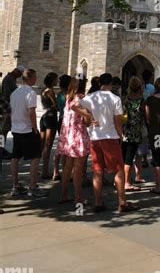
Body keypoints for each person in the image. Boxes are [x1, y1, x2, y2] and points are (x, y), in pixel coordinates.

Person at [76, 72, 138, 214]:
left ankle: (98, 202)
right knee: (119, 169)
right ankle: (122, 202)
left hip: (95, 137)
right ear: (110, 84)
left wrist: (87, 116)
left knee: (97, 170)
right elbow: (117, 120)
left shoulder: (90, 97)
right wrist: (121, 135)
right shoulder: (114, 98)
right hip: (110, 137)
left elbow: (74, 106)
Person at [10, 69, 47, 198]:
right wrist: (35, 128)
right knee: (35, 157)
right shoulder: (30, 93)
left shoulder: (15, 92)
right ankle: (33, 186)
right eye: (35, 77)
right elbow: (31, 112)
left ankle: (15, 186)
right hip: (27, 129)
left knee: (15, 158)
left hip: (16, 128)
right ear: (30, 78)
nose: (36, 79)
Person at [57, 77, 92, 205]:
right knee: (78, 169)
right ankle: (78, 197)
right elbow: (87, 122)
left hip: (67, 136)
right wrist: (89, 115)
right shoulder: (81, 100)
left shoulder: (67, 98)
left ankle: (63, 194)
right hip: (78, 137)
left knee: (67, 167)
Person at [121, 77, 145, 191]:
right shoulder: (141, 100)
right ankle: (126, 182)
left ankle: (124, 180)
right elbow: (145, 116)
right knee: (129, 159)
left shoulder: (125, 99)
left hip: (125, 131)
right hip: (135, 132)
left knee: (125, 157)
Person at [0, 65, 24, 160]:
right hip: (5, 109)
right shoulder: (9, 79)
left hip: (7, 108)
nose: (19, 76)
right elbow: (7, 95)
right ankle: (1, 150)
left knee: (4, 131)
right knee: (3, 131)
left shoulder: (11, 79)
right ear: (16, 71)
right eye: (19, 74)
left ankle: (2, 149)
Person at [39, 72, 58, 179]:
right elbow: (56, 106)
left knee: (42, 145)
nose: (57, 81)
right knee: (48, 145)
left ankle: (37, 167)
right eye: (56, 79)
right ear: (53, 80)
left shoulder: (42, 90)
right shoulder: (50, 91)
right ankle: (45, 171)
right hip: (51, 117)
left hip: (44, 117)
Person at [52, 74, 71, 180]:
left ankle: (55, 171)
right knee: (66, 147)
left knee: (60, 146)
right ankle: (65, 170)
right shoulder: (69, 95)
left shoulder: (59, 94)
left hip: (61, 120)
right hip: (67, 121)